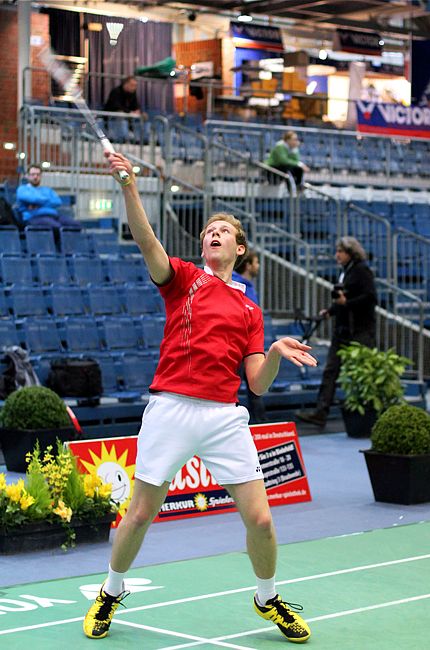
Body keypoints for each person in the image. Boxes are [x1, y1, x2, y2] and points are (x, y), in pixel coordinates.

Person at [83, 151, 317, 643]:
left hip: (223, 417)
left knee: (260, 518)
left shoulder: (249, 308)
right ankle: (109, 591)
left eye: (223, 230)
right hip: (170, 407)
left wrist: (273, 350)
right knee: (142, 513)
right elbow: (148, 241)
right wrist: (129, 186)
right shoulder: (185, 280)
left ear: (239, 245)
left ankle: (267, 596)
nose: (213, 233)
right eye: (209, 229)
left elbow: (256, 383)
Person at [296, 237, 377, 428]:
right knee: (330, 370)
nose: (337, 255)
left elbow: (370, 298)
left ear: (351, 253)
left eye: (340, 251)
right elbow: (344, 299)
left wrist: (346, 303)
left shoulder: (361, 270)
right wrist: (330, 311)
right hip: (343, 330)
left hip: (360, 331)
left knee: (362, 373)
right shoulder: (345, 272)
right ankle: (320, 413)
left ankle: (368, 414)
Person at [232, 249, 268, 423]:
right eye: (256, 262)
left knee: (256, 391)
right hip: (238, 350)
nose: (258, 266)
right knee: (233, 391)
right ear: (248, 265)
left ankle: (261, 429)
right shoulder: (235, 286)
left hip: (250, 349)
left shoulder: (249, 286)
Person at [16, 164, 80, 230]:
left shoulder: (47, 190)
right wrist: (48, 201)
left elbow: (58, 201)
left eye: (38, 174)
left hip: (53, 216)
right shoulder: (22, 189)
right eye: (33, 174)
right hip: (34, 217)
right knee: (57, 227)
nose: (35, 177)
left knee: (75, 225)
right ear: (27, 176)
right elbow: (33, 199)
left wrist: (39, 204)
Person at [104, 76, 148, 143]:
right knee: (121, 116)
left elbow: (135, 105)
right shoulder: (116, 91)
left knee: (144, 116)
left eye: (135, 85)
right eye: (132, 85)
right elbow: (116, 106)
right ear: (126, 84)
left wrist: (138, 111)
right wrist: (130, 112)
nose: (134, 87)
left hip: (128, 117)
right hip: (112, 118)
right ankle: (123, 138)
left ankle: (141, 139)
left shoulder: (132, 93)